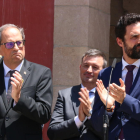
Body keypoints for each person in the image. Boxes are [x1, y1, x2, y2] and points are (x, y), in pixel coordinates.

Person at [90, 13, 140, 140]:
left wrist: (124, 99)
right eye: (134, 37)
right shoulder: (107, 74)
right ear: (120, 41)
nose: (139, 41)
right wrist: (109, 107)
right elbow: (97, 126)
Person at [0, 24, 53, 140]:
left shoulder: (41, 73)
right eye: (10, 44)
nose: (16, 48)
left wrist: (19, 98)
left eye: (19, 42)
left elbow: (44, 114)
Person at [47, 49, 107, 140]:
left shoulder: (109, 98)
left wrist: (90, 115)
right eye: (86, 65)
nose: (89, 70)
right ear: (80, 67)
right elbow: (52, 132)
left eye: (95, 67)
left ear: (104, 71)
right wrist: (78, 120)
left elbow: (111, 133)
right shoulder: (65, 95)